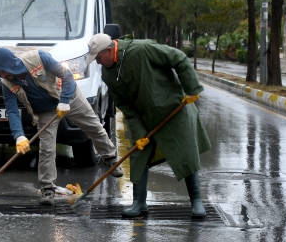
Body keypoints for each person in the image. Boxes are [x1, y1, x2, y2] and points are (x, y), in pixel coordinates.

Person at [87, 33, 211, 218]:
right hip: (144, 117)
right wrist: (139, 133)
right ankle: (139, 203)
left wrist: (191, 88)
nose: (97, 62)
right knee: (139, 155)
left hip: (174, 109)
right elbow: (125, 105)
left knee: (186, 152)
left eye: (98, 57)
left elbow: (178, 58)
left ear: (109, 49)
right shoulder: (108, 74)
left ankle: (197, 202)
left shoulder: (142, 50)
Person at [0, 48, 122, 206]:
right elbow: (11, 111)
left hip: (68, 96)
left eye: (2, 70)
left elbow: (67, 76)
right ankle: (47, 188)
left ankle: (110, 158)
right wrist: (19, 136)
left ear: (11, 64)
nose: (2, 75)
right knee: (46, 148)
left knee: (94, 126)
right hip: (45, 110)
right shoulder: (7, 83)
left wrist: (65, 100)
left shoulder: (38, 57)